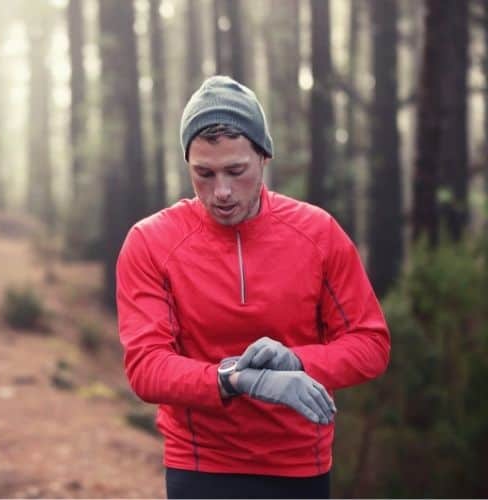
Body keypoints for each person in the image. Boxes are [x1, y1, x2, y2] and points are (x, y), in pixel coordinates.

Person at [116, 75, 390, 499]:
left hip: (299, 464)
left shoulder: (317, 232)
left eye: (235, 171)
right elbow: (147, 367)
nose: (221, 192)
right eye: (203, 173)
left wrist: (296, 362)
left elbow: (370, 344)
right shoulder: (152, 241)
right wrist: (236, 379)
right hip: (199, 462)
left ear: (264, 157)